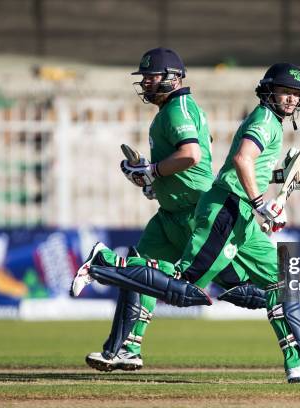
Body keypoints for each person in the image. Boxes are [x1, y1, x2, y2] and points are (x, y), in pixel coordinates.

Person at [77, 62, 300, 383]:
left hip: (240, 212)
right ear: (268, 91)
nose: (289, 99)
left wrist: (290, 177)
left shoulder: (271, 122)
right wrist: (261, 204)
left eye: (295, 95)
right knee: (189, 287)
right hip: (228, 209)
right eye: (284, 92)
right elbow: (241, 161)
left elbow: (253, 169)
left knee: (280, 283)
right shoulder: (263, 119)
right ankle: (105, 263)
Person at [70, 47, 251, 371]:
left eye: (151, 76)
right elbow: (190, 158)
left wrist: (152, 171)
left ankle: (104, 260)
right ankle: (126, 348)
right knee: (138, 271)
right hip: (171, 210)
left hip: (192, 213)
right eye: (145, 78)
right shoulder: (177, 108)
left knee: (234, 289)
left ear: (173, 77)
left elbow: (192, 155)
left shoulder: (176, 110)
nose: (146, 83)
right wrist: (153, 181)